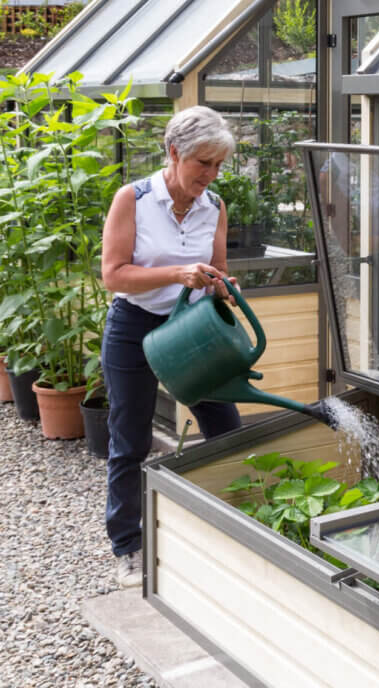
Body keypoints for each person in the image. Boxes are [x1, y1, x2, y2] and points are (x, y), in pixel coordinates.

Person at [100, 106, 243, 588]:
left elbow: (216, 270)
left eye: (218, 165)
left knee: (225, 427)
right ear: (174, 152)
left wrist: (222, 285)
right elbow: (113, 275)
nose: (211, 174)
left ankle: (232, 528)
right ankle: (128, 544)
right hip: (134, 326)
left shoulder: (215, 205)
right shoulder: (134, 199)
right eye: (203, 163)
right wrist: (176, 273)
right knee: (130, 437)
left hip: (191, 329)